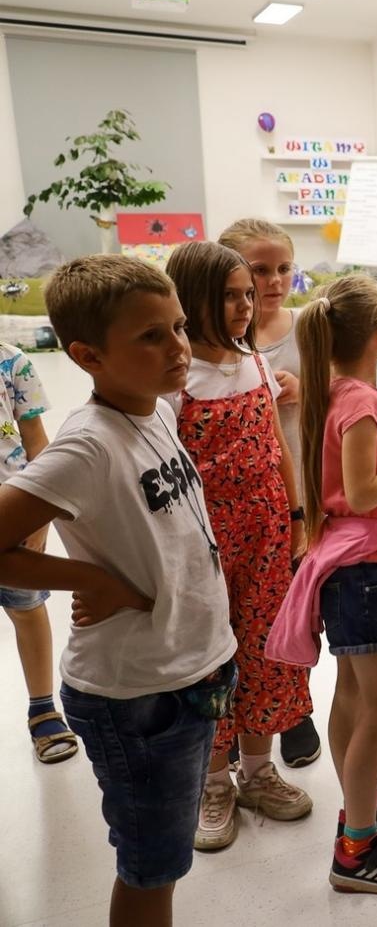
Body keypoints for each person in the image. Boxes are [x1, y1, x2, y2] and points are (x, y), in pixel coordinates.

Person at [0, 256, 236, 927]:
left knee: (165, 859)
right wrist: (91, 579)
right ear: (88, 356)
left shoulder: (155, 410)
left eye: (179, 327)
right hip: (136, 697)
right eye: (152, 336)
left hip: (188, 669)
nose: (179, 347)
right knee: (150, 868)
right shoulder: (87, 445)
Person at [264, 274, 377, 897]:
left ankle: (360, 806)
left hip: (349, 560)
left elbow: (352, 484)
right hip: (367, 568)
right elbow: (363, 494)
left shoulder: (333, 392)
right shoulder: (363, 401)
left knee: (352, 695)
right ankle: (358, 847)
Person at [165, 242, 313, 852]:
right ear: (193, 298)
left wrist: (297, 518)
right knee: (211, 660)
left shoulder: (253, 361)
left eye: (248, 294)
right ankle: (212, 782)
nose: (245, 305)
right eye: (230, 296)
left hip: (268, 537)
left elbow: (278, 447)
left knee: (266, 652)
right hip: (205, 548)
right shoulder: (175, 383)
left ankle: (257, 771)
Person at [217, 218, 321, 769]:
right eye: (260, 270)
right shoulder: (215, 339)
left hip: (300, 492)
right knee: (238, 615)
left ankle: (293, 711)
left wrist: (307, 393)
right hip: (237, 504)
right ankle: (234, 716)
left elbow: (350, 397)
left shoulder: (307, 328)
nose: (275, 281)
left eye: (284, 268)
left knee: (292, 613)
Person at [1, 341, 78, 764]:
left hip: (12, 516)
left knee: (27, 609)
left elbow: (37, 445)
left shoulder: (12, 362)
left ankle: (42, 707)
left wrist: (39, 517)